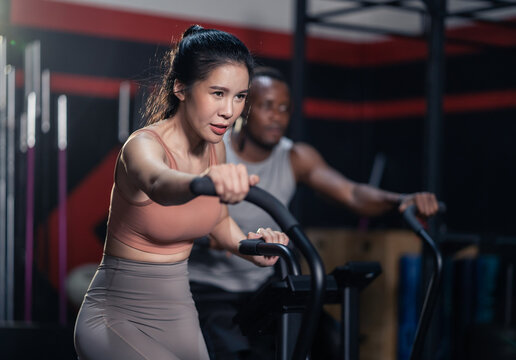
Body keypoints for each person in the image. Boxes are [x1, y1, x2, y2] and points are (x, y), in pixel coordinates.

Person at [188, 66, 440, 359]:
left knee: (330, 341)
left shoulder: (295, 156)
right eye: (268, 106)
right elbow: (180, 208)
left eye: (284, 108)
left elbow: (352, 193)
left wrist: (401, 200)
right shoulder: (214, 150)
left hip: (261, 285)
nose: (277, 116)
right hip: (209, 288)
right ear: (245, 108)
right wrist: (208, 233)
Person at [73, 27, 289, 360]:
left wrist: (253, 248)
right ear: (181, 88)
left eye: (240, 96)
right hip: (117, 314)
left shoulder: (215, 148)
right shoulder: (143, 146)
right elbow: (160, 184)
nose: (230, 111)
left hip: (179, 312)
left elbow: (218, 222)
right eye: (218, 93)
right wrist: (204, 181)